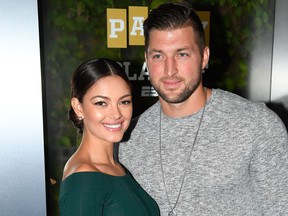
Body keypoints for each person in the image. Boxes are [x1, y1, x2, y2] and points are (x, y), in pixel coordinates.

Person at [118, 2, 288, 215]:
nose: (169, 70)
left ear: (204, 57)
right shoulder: (127, 139)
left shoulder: (257, 125)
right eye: (158, 56)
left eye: (182, 54)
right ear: (146, 60)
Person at [59, 58, 160, 215]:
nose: (116, 114)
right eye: (101, 103)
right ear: (78, 108)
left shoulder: (116, 167)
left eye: (124, 102)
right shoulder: (84, 177)